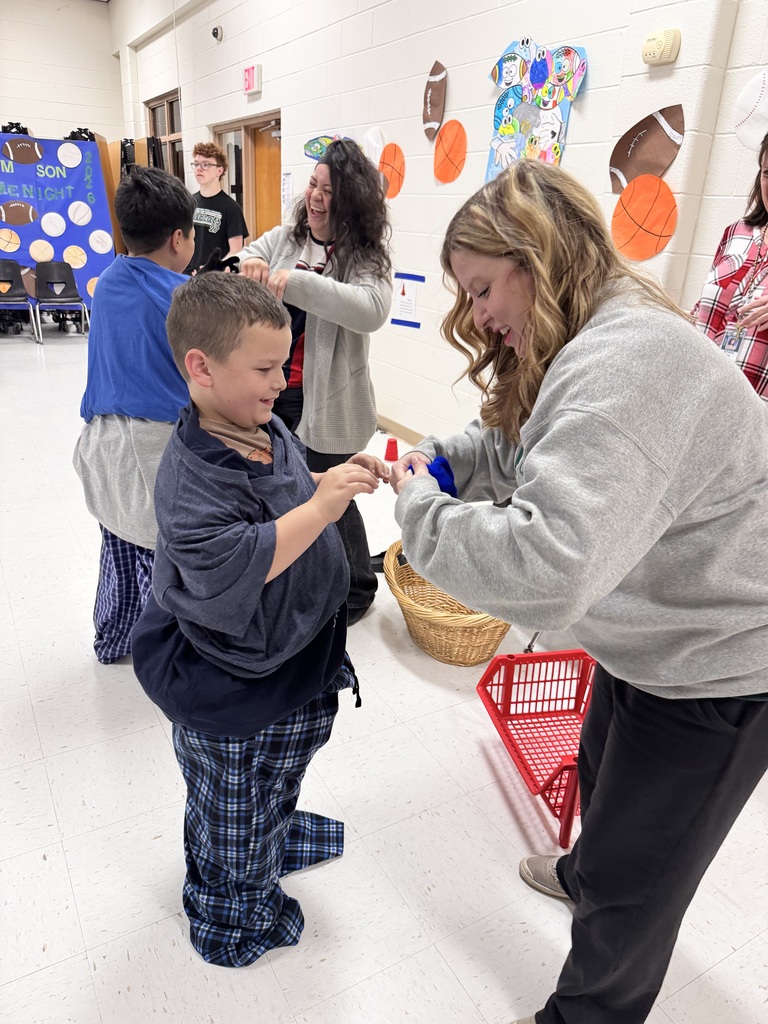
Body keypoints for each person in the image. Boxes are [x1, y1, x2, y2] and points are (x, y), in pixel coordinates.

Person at [389, 160, 768, 1024]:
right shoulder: (586, 338)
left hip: (721, 659)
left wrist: (420, 508)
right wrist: (445, 462)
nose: (479, 315)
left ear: (538, 255)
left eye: (485, 288)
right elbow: (527, 450)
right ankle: (583, 871)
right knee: (602, 785)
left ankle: (589, 1011)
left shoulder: (627, 365)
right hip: (648, 625)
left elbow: (544, 572)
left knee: (642, 880)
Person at [130, 272, 388, 967]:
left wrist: (340, 479)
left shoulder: (260, 422)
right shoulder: (190, 479)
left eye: (284, 364)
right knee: (229, 807)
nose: (282, 382)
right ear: (201, 368)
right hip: (233, 689)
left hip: (295, 661)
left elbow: (298, 489)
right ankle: (229, 915)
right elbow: (231, 566)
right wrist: (322, 508)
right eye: (266, 368)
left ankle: (272, 830)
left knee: (278, 777)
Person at [237, 138, 393, 624]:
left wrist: (295, 281)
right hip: (278, 394)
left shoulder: (364, 257)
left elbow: (371, 310)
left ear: (352, 204)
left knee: (336, 495)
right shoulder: (285, 238)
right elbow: (245, 263)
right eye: (313, 184)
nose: (316, 197)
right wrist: (254, 264)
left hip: (330, 403)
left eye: (330, 191)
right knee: (295, 489)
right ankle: (312, 578)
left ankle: (358, 590)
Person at [73, 166, 195, 663]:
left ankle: (114, 637)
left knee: (120, 551)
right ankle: (165, 659)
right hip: (151, 453)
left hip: (101, 445)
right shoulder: (181, 302)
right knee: (162, 565)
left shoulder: (110, 280)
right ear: (179, 238)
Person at [692, 130, 768, 402]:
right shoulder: (737, 232)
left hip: (756, 415)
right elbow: (706, 307)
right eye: (767, 173)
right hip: (701, 391)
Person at [186, 141, 248, 274]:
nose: (199, 168)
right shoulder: (188, 202)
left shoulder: (231, 208)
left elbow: (236, 251)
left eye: (206, 164)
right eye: (196, 164)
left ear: (219, 171)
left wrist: (213, 270)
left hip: (216, 279)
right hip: (189, 275)